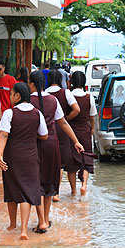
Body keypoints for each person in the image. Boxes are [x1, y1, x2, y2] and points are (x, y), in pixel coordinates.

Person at [29, 70, 84, 232]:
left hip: (33, 145)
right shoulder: (53, 100)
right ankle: (46, 219)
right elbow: (64, 123)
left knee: (36, 182)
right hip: (52, 144)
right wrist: (76, 141)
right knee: (48, 182)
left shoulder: (27, 101)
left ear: (31, 83)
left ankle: (41, 221)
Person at [0, 83, 48, 240]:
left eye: (12, 94)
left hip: (12, 157)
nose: (10, 96)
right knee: (26, 193)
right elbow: (44, 135)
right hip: (31, 158)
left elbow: (4, 135)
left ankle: (12, 225)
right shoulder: (37, 113)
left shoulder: (9, 113)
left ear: (18, 96)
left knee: (12, 191)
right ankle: (24, 230)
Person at [46, 69, 80, 202]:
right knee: (61, 162)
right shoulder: (66, 93)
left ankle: (53, 191)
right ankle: (62, 192)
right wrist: (66, 118)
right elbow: (77, 109)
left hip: (48, 129)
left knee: (52, 162)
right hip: (62, 129)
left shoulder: (45, 94)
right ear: (61, 80)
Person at [67, 71, 97, 198]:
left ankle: (73, 191)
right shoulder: (89, 97)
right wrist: (92, 129)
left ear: (72, 82)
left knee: (72, 164)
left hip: (71, 132)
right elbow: (92, 117)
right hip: (84, 131)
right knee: (86, 159)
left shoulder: (68, 96)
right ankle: (83, 185)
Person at [0, 60, 17, 163]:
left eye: (0, 69)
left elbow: (15, 95)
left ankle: (4, 156)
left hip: (7, 112)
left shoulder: (11, 80)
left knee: (6, 135)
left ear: (4, 68)